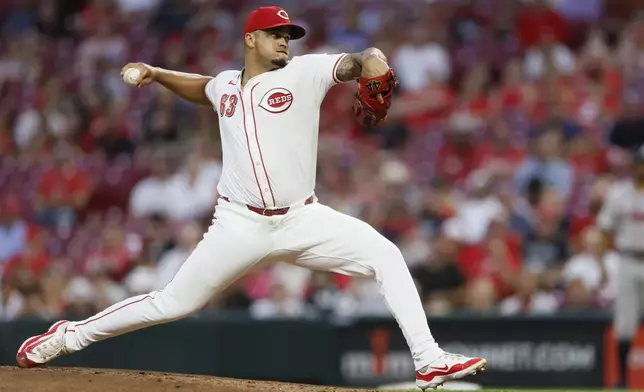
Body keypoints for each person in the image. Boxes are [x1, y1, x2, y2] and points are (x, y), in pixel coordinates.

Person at [16, 6, 486, 390]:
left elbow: (357, 60)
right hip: (239, 223)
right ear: (250, 40)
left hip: (303, 218)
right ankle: (69, 337)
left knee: (386, 254)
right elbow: (202, 87)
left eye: (288, 34)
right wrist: (156, 72)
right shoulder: (224, 83)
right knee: (172, 303)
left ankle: (428, 360)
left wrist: (375, 59)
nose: (284, 40)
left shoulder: (305, 72)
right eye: (274, 33)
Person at [598, 145, 644, 389]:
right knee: (625, 323)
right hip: (627, 258)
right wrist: (606, 261)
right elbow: (605, 227)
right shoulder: (620, 192)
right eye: (639, 162)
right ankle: (622, 380)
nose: (641, 168)